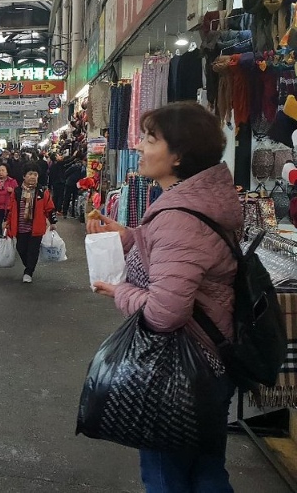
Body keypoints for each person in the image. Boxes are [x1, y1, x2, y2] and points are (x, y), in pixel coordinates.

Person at [86, 102, 241, 493]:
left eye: (150, 139)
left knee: (166, 478)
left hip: (180, 371)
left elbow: (165, 312)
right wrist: (130, 237)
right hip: (211, 361)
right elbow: (175, 254)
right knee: (206, 472)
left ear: (178, 155)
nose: (139, 146)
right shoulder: (196, 202)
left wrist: (120, 291)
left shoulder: (178, 216)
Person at [4, 168, 57, 283]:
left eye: (35, 174)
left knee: (33, 250)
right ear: (24, 176)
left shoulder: (42, 192)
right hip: (20, 227)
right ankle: (29, 265)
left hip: (36, 227)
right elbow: (10, 208)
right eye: (30, 174)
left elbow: (49, 207)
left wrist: (53, 222)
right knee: (21, 248)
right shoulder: (17, 191)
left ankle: (28, 272)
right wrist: (6, 222)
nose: (33, 177)